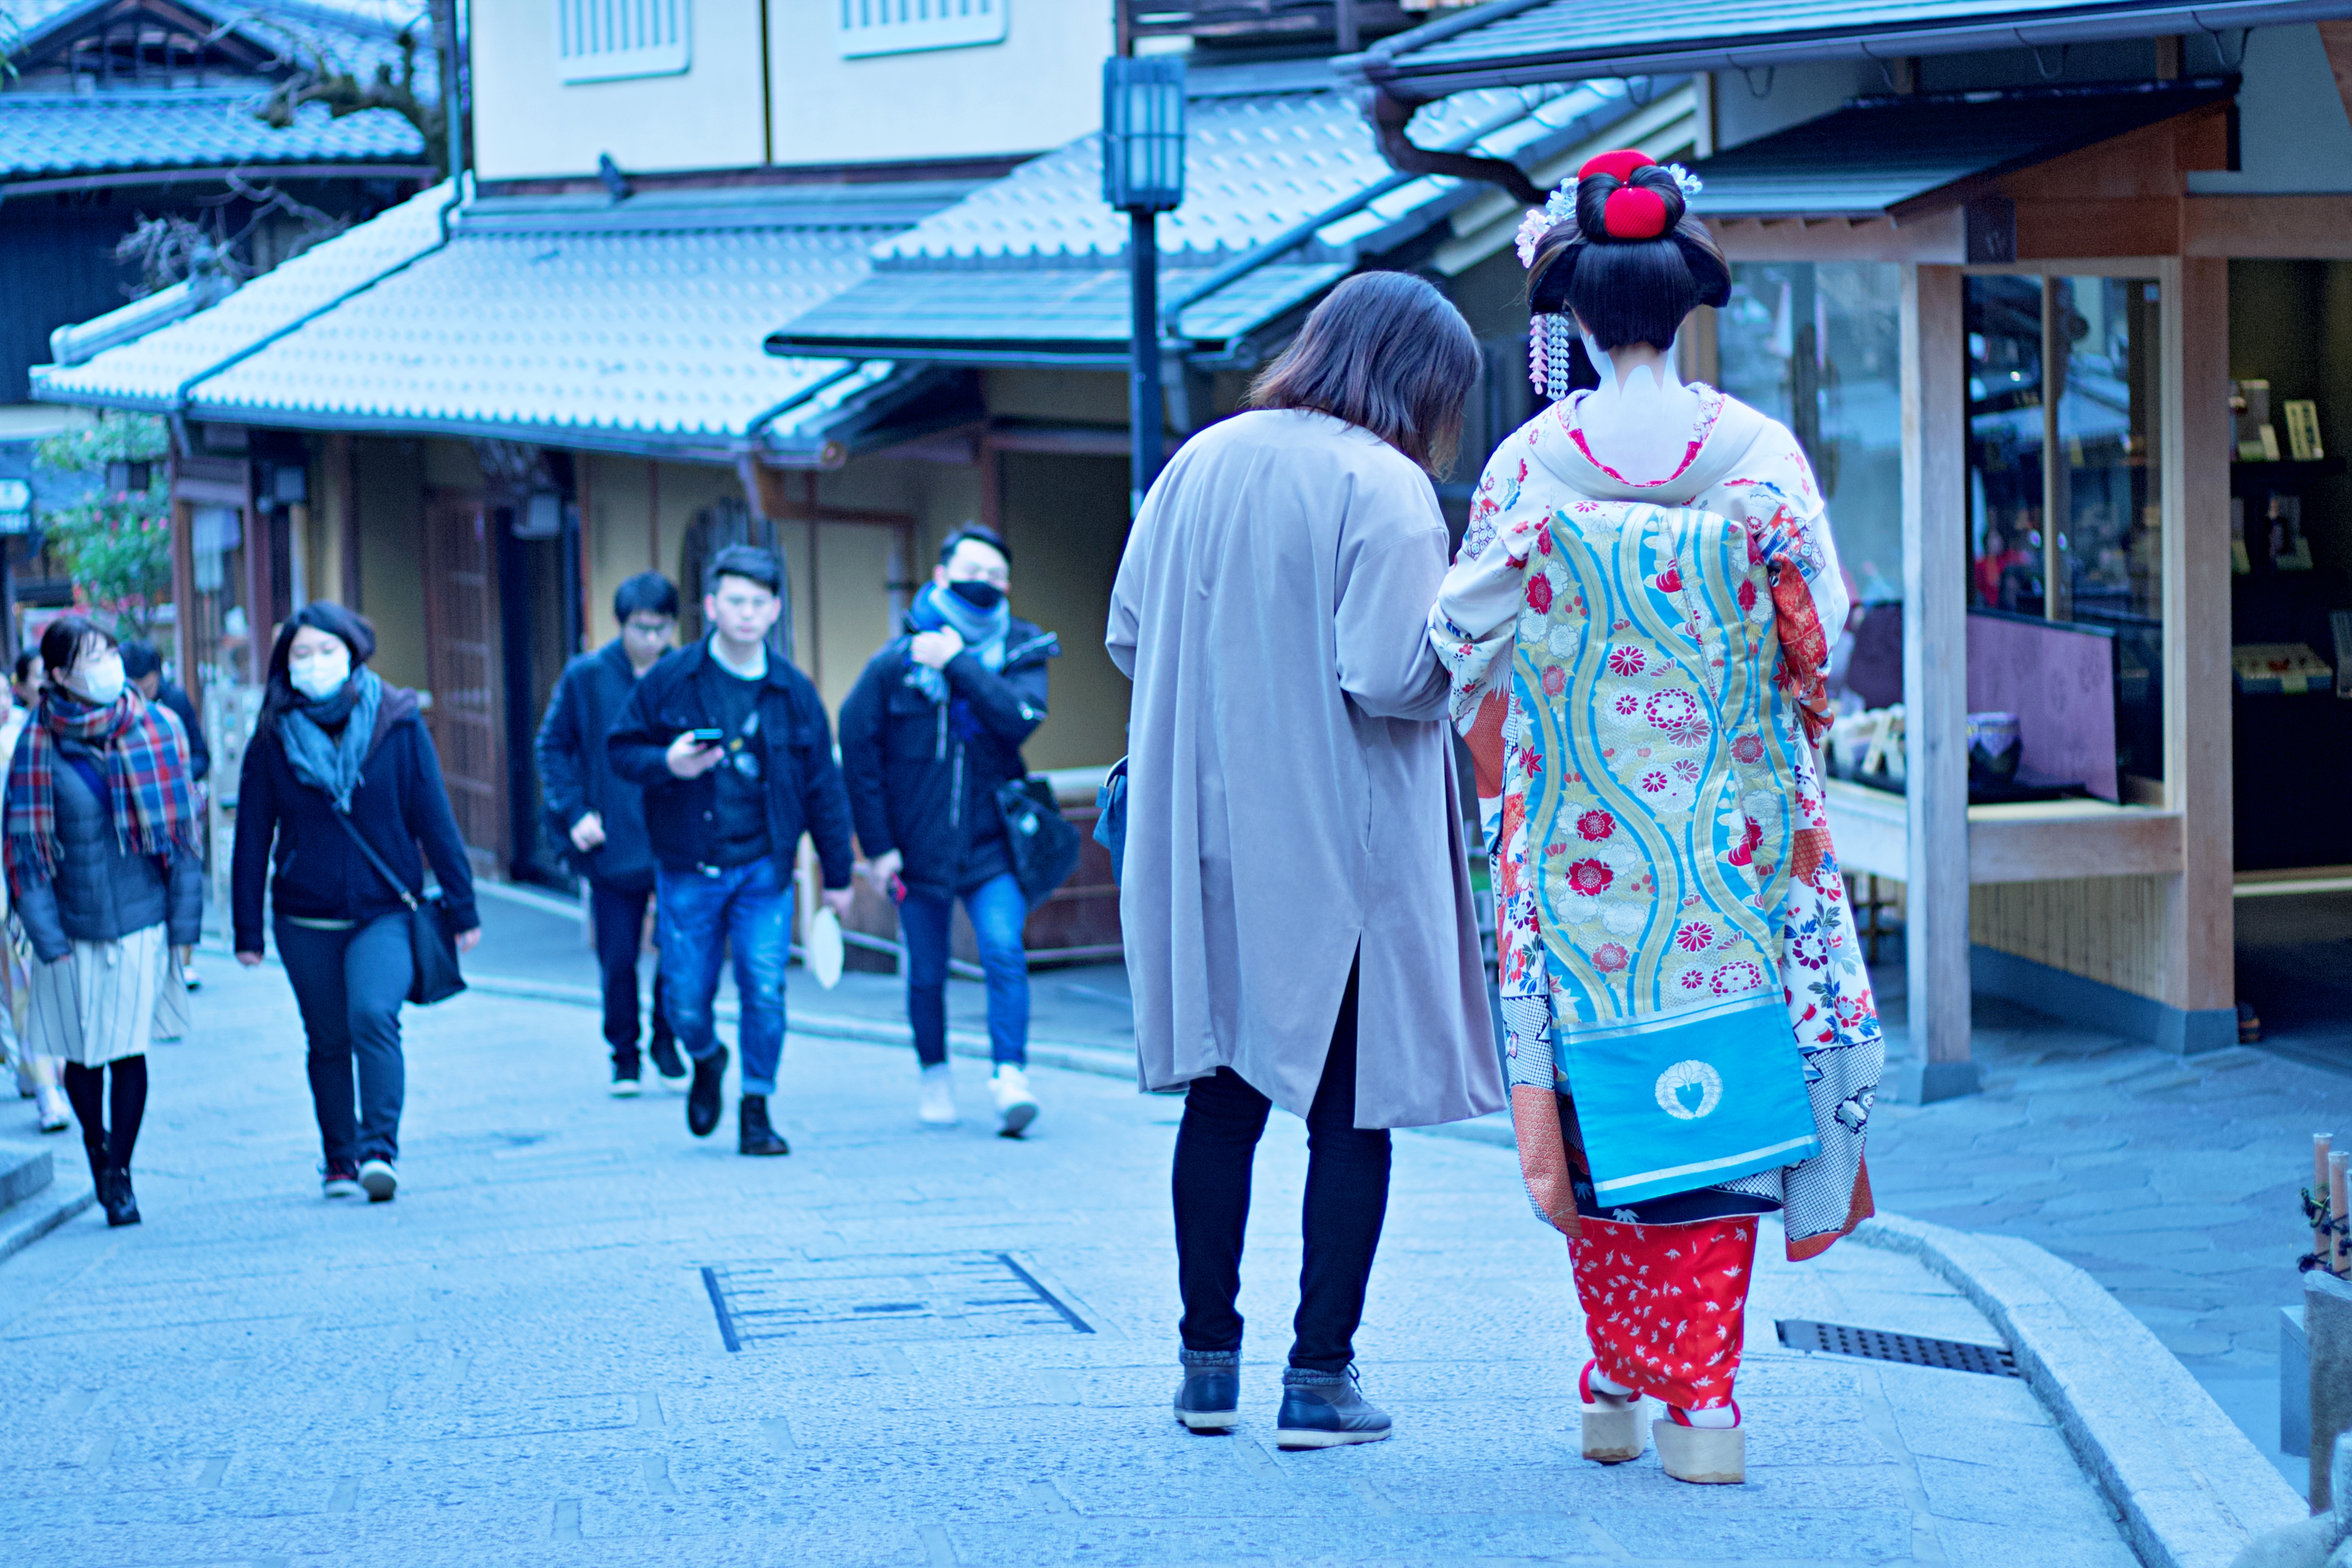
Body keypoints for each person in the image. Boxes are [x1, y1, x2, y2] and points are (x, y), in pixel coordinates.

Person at [1431, 151, 1885, 1486]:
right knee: (1727, 1108)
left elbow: (1463, 644)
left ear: (1568, 310)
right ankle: (1707, 1401)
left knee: (1594, 1112)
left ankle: (1615, 1377)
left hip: (1575, 848)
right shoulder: (1757, 455)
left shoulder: (1530, 463)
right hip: (1740, 854)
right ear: (1691, 305)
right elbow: (1833, 638)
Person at [1106, 272, 1503, 1451]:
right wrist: (1471, 647)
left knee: (1221, 1111)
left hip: (1210, 839)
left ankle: (1205, 1369)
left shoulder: (1202, 460)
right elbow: (1387, 676)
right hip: (1345, 844)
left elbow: (1128, 633)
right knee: (1351, 1115)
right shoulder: (1386, 487)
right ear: (1425, 384)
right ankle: (1318, 1380)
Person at [607, 545, 856, 1158]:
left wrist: (839, 876)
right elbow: (620, 748)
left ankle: (757, 1108)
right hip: (688, 866)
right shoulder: (673, 678)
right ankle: (707, 1058)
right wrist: (669, 762)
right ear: (713, 606)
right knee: (686, 998)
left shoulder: (793, 692)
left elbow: (825, 787)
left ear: (775, 611)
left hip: (764, 870)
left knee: (764, 986)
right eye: (735, 601)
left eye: (759, 603)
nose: (746, 613)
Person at [230, 603, 481, 1204]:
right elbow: (252, 836)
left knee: (373, 1013)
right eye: (301, 654)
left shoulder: (397, 721)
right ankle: (338, 1157)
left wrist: (463, 904)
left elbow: (433, 815)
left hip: (385, 909)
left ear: (352, 653)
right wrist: (247, 931)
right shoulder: (271, 736)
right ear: (283, 665)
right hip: (304, 915)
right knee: (327, 1037)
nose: (314, 664)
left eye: (326, 651)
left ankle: (379, 1151)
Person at [839, 526, 1058, 1135]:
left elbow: (1019, 720)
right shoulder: (893, 663)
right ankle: (934, 1073)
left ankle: (1011, 1075)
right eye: (970, 571)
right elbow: (858, 749)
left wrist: (957, 662)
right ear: (939, 577)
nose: (982, 584)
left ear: (1008, 586)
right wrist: (878, 848)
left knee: (1003, 948)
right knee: (928, 969)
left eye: (994, 576)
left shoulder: (1025, 648)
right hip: (917, 851)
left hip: (995, 846)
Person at [3, 616, 202, 1227]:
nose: (107, 665)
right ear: (58, 674)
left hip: (140, 919)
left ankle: (120, 1173)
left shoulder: (157, 727)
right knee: (82, 1057)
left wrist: (183, 926)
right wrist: (47, 941)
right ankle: (98, 1150)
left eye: (109, 652)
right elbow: (25, 857)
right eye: (91, 657)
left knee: (128, 1052)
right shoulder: (35, 748)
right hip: (71, 928)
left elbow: (182, 839)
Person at [536, 571, 685, 1096]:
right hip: (611, 837)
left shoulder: (685, 671)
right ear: (622, 624)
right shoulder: (588, 676)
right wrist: (575, 811)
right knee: (618, 956)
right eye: (642, 628)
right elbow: (551, 747)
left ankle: (668, 1041)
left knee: (679, 947)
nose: (652, 639)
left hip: (676, 838)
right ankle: (625, 1055)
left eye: (662, 628)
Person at [2, 649, 69, 1132]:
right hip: (13, 885)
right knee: (17, 988)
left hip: (29, 879)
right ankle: (40, 1074)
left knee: (33, 983)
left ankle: (48, 1079)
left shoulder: (29, 738)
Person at [118, 639, 209, 993]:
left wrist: (181, 778)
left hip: (175, 807)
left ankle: (184, 962)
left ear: (158, 676)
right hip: (134, 813)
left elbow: (202, 754)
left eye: (148, 685)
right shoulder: (113, 710)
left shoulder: (174, 703)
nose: (141, 693)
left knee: (184, 880)